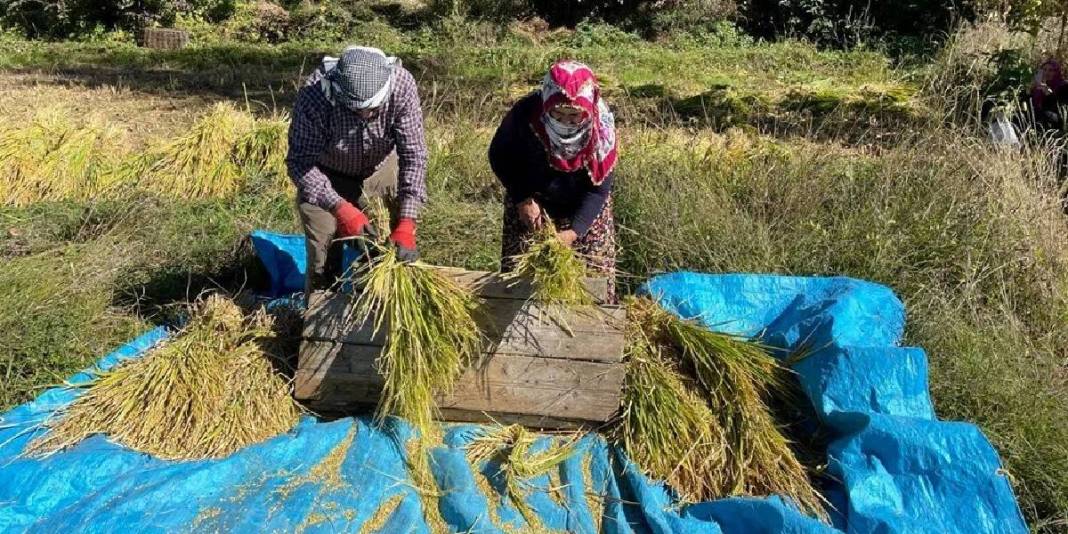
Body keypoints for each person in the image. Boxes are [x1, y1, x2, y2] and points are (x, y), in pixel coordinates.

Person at [286, 45, 428, 297]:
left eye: (372, 110)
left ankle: (373, 313)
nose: (364, 114)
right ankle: (320, 324)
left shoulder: (401, 85)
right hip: (325, 172)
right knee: (323, 254)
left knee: (383, 248)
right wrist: (340, 208)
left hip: (379, 168)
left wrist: (407, 221)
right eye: (356, 109)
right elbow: (300, 163)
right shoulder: (315, 94)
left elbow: (413, 155)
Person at [488, 60, 619, 302]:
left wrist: (572, 233)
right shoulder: (526, 114)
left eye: (574, 115)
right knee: (522, 277)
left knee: (592, 279)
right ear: (546, 103)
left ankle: (594, 333)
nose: (566, 122)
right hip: (532, 200)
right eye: (558, 113)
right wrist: (521, 197)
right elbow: (499, 155)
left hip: (583, 207)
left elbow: (598, 190)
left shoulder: (601, 128)